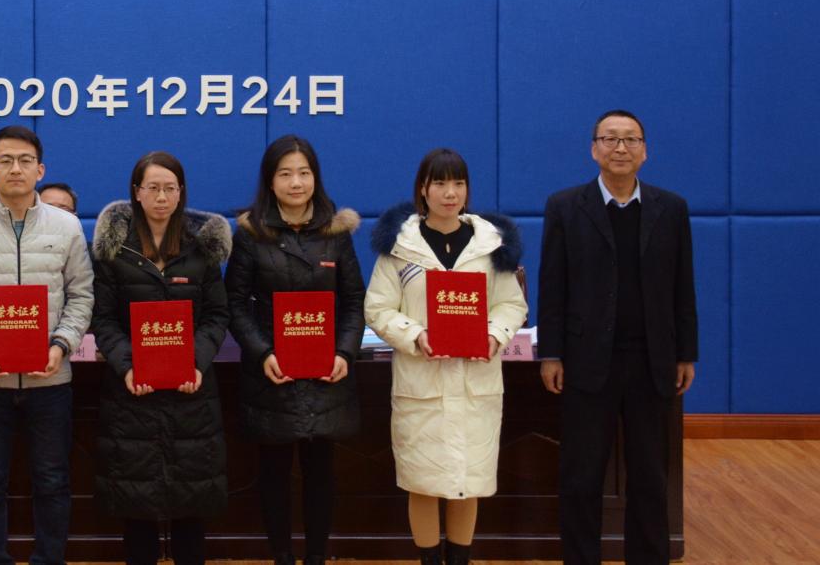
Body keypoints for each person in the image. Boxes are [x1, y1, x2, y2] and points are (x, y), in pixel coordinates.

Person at [539, 110, 698, 565]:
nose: (620, 148)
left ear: (645, 151)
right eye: (610, 139)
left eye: (631, 139)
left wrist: (686, 352)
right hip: (586, 362)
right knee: (581, 476)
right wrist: (551, 353)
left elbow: (683, 286)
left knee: (650, 476)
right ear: (594, 149)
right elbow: (553, 285)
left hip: (652, 361)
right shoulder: (565, 207)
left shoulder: (671, 208)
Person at [364, 148, 528, 565]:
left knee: (467, 481)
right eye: (439, 183)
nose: (449, 193)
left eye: (458, 183)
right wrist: (415, 334)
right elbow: (378, 308)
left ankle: (459, 559)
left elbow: (511, 305)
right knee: (422, 481)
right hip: (422, 382)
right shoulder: (401, 247)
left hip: (476, 382)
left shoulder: (491, 245)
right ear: (423, 189)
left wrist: (493, 335)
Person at [0, 125, 95, 565]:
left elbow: (82, 295)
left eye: (25, 160)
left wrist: (61, 345)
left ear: (40, 170)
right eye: (5, 160)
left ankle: (49, 559)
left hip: (51, 380)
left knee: (52, 479)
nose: (15, 168)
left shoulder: (67, 227)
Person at [224, 136, 366, 565]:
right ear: (270, 181)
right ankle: (282, 556)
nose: (296, 182)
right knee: (274, 474)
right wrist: (262, 353)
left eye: (304, 173)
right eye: (285, 173)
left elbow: (354, 301)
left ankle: (317, 557)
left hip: (326, 373)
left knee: (321, 473)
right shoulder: (252, 234)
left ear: (315, 178)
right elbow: (234, 304)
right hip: (272, 373)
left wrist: (344, 352)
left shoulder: (336, 232)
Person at [90, 151, 231, 565]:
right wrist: (127, 365)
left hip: (192, 396)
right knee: (137, 506)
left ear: (181, 192)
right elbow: (103, 319)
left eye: (170, 188)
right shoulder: (115, 250)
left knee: (191, 503)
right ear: (137, 192)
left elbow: (217, 315)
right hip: (132, 396)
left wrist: (196, 361)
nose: (162, 197)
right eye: (153, 188)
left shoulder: (201, 247)